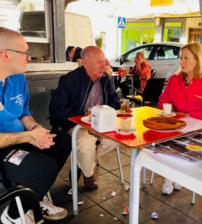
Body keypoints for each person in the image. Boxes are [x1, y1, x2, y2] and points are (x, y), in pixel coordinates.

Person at [0, 27, 70, 223]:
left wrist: (36, 129)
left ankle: (34, 196)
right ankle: (13, 216)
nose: (29, 58)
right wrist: (28, 137)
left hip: (20, 138)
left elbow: (24, 114)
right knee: (44, 167)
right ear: (5, 55)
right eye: (25, 53)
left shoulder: (17, 77)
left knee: (62, 140)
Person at [157, 42, 202, 195]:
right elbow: (162, 101)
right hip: (175, 126)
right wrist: (170, 110)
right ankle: (171, 176)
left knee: (181, 145)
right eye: (181, 58)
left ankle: (176, 176)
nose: (182, 62)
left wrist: (192, 115)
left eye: (186, 58)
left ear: (198, 60)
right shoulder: (174, 80)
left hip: (198, 131)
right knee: (164, 142)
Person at [49, 46, 120, 190]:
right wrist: (83, 118)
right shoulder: (69, 80)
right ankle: (88, 174)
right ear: (86, 62)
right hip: (76, 125)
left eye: (104, 61)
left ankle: (81, 162)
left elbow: (115, 100)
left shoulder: (106, 79)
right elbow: (57, 110)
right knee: (86, 142)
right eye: (99, 62)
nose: (104, 65)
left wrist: (104, 111)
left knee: (115, 139)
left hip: (100, 124)